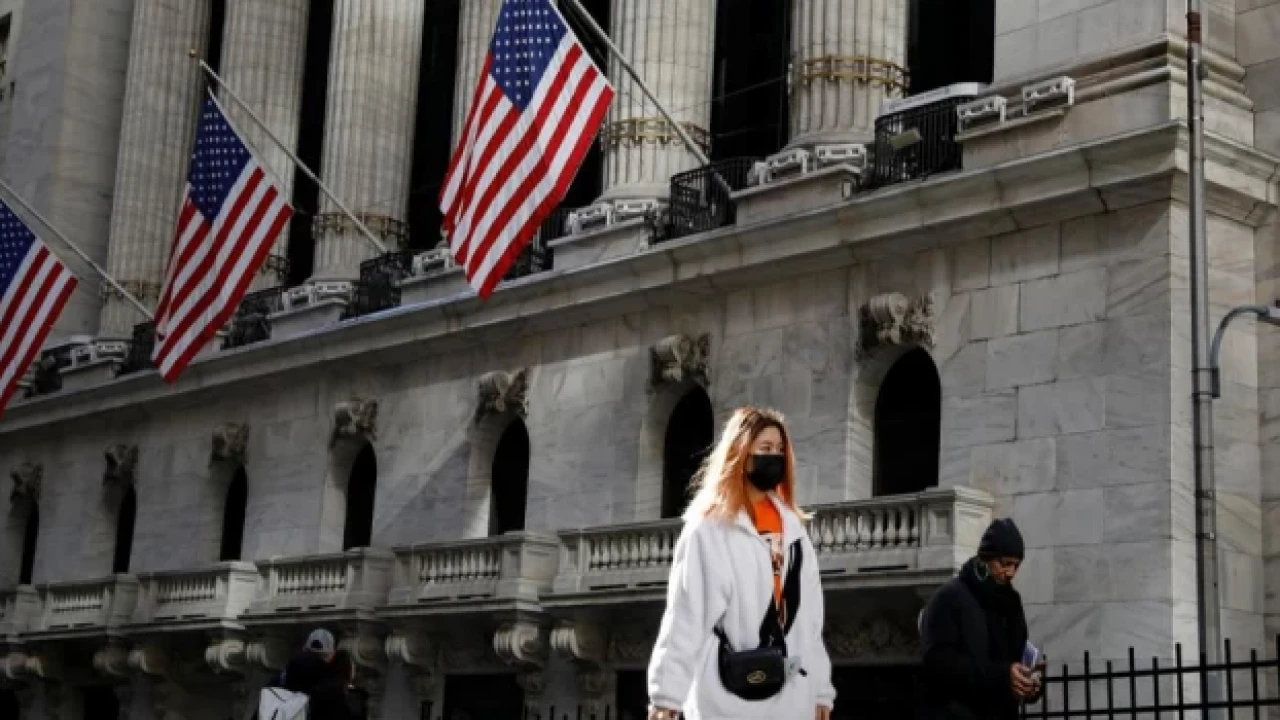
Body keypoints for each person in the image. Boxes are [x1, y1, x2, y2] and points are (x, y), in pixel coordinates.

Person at [646, 407, 835, 720]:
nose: (774, 457)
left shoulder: (795, 531)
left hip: (790, 699)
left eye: (780, 450)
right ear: (741, 454)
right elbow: (686, 614)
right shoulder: (709, 528)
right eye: (765, 449)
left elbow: (810, 621)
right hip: (724, 696)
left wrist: (821, 691)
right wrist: (666, 696)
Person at [918, 518, 1045, 719]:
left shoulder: (1012, 602)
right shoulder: (949, 597)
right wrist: (1003, 676)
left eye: (1016, 565)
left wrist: (1029, 683)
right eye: (1005, 563)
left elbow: (1017, 657)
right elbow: (937, 663)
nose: (1011, 572)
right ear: (985, 559)